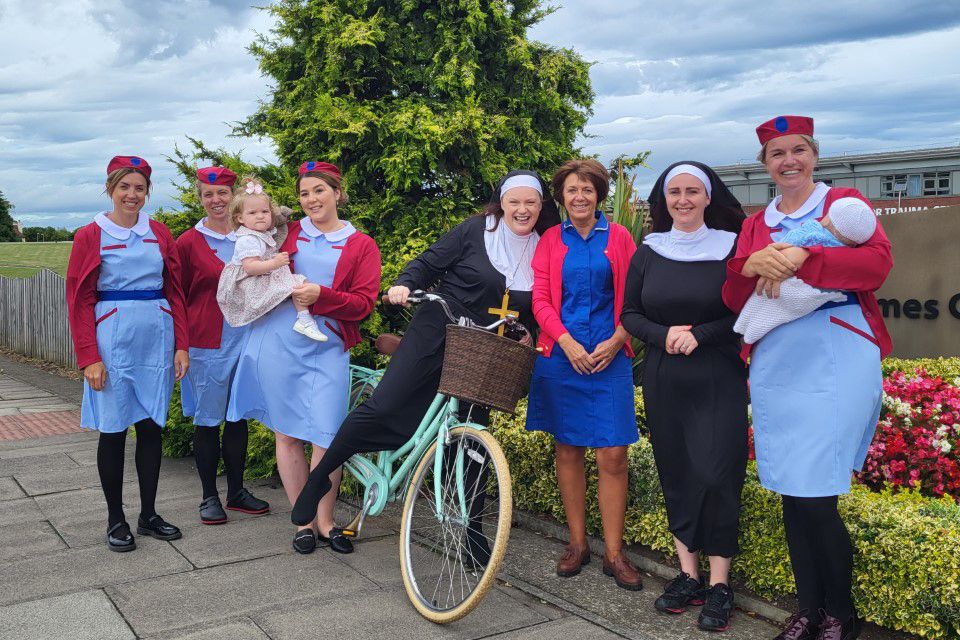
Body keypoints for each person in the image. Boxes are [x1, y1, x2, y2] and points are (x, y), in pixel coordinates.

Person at [290, 170, 562, 557]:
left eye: (530, 202)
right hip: (438, 326)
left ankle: (472, 530)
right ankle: (320, 478)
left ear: (541, 206)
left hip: (484, 348)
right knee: (387, 406)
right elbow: (427, 264)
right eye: (514, 201)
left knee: (474, 440)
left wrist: (531, 331)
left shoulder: (543, 245)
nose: (522, 209)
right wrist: (404, 284)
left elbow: (541, 300)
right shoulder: (474, 231)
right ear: (501, 202)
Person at [722, 116, 892, 640]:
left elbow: (875, 266)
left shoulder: (843, 205)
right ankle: (810, 608)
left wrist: (803, 255)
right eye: (777, 153)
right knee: (793, 491)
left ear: (814, 155)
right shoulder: (756, 223)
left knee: (817, 492)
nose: (789, 160)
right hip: (778, 362)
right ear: (765, 165)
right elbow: (732, 297)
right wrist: (750, 268)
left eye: (798, 150)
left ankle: (840, 611)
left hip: (836, 352)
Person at [228, 161, 381, 555]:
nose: (311, 199)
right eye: (304, 193)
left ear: (337, 192)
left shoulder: (361, 244)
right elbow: (244, 242)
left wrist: (322, 297)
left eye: (319, 190)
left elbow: (363, 305)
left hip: (328, 346)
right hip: (279, 342)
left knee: (328, 437)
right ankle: (304, 521)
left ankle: (328, 522)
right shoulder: (287, 232)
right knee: (287, 434)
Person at [621, 161, 747, 631]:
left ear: (709, 196)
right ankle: (688, 575)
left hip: (716, 372)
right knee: (677, 470)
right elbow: (631, 314)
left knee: (717, 472)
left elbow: (746, 310)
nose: (683, 199)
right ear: (664, 199)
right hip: (664, 373)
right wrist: (662, 332)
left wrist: (702, 333)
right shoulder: (649, 251)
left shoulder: (732, 249)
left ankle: (719, 584)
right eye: (675, 191)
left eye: (693, 191)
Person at [525, 159, 641, 590]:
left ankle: (614, 552)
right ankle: (578, 544)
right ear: (561, 196)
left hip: (612, 356)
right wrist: (568, 343)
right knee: (568, 449)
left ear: (599, 195)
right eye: (572, 190)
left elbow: (636, 297)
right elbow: (540, 299)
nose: (579, 197)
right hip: (561, 357)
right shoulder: (551, 240)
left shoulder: (621, 237)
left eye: (587, 190)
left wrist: (615, 341)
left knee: (613, 454)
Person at [66, 155, 189, 551]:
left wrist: (182, 344)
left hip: (157, 336)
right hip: (112, 340)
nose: (132, 194)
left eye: (139, 187)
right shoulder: (91, 234)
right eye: (125, 187)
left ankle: (149, 514)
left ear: (147, 191)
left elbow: (176, 291)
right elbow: (79, 299)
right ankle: (116, 519)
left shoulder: (160, 233)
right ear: (111, 188)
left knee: (151, 427)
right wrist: (89, 356)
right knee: (114, 429)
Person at [176, 166, 270, 525]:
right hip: (207, 344)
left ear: (234, 197)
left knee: (238, 417)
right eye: (208, 194)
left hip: (246, 339)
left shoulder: (254, 237)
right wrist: (180, 344)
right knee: (209, 420)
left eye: (223, 193)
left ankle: (236, 491)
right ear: (200, 198)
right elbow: (177, 296)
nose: (216, 200)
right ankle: (208, 497)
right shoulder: (187, 243)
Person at [733, 199, 878, 344]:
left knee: (767, 303)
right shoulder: (847, 248)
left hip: (791, 291)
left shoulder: (813, 231)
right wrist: (751, 266)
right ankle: (752, 328)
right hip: (818, 313)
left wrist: (792, 255)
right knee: (776, 308)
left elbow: (789, 241)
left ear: (828, 217)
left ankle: (749, 326)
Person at [216, 177, 327, 342]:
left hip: (260, 275)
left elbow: (278, 230)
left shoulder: (261, 234)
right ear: (240, 218)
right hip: (248, 282)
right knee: (296, 284)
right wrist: (274, 263)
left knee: (298, 283)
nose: (260, 216)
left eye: (265, 212)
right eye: (252, 213)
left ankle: (304, 320)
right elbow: (250, 267)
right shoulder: (248, 239)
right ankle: (304, 320)